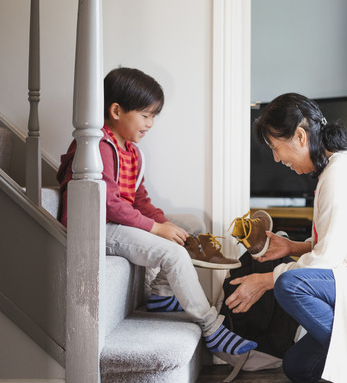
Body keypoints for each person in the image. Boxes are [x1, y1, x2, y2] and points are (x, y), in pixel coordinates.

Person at [57, 67, 255, 356]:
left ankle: (161, 295)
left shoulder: (132, 151)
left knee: (191, 225)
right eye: (145, 115)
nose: (150, 123)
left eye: (153, 116)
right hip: (96, 227)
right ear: (116, 110)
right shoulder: (98, 145)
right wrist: (156, 229)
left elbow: (139, 200)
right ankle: (211, 327)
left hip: (118, 220)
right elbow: (108, 204)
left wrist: (164, 223)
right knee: (172, 252)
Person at [225, 93, 347, 383]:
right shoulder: (338, 167)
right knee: (298, 369)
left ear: (300, 136)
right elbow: (337, 241)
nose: (276, 159)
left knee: (290, 284)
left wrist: (264, 280)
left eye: (276, 147)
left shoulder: (339, 174)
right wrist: (293, 246)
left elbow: (326, 260)